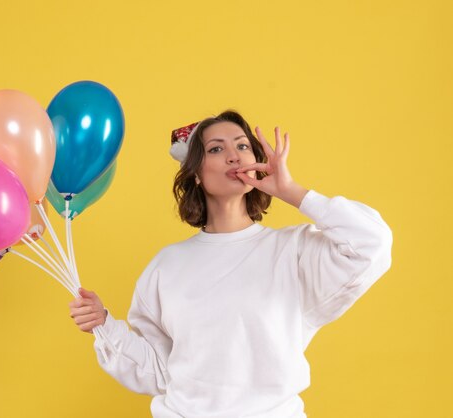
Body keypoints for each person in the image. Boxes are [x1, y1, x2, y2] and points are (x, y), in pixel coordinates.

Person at [68, 110, 393, 418]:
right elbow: (157, 371)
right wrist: (104, 324)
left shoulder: (293, 251)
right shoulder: (166, 266)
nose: (234, 155)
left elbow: (371, 243)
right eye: (216, 149)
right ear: (195, 172)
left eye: (242, 146)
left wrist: (292, 192)